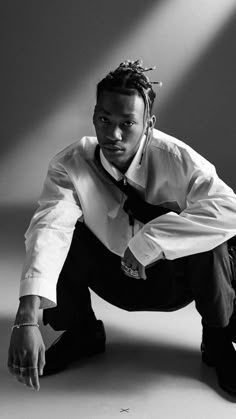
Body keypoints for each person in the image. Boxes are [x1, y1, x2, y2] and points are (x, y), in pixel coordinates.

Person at [8, 59, 236, 395]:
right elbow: (49, 227)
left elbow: (229, 209)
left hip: (174, 279)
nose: (113, 135)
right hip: (113, 277)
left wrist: (151, 242)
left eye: (127, 123)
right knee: (63, 231)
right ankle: (82, 332)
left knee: (214, 239)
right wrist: (26, 317)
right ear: (94, 116)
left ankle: (217, 343)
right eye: (104, 119)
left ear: (148, 124)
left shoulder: (176, 157)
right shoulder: (71, 164)